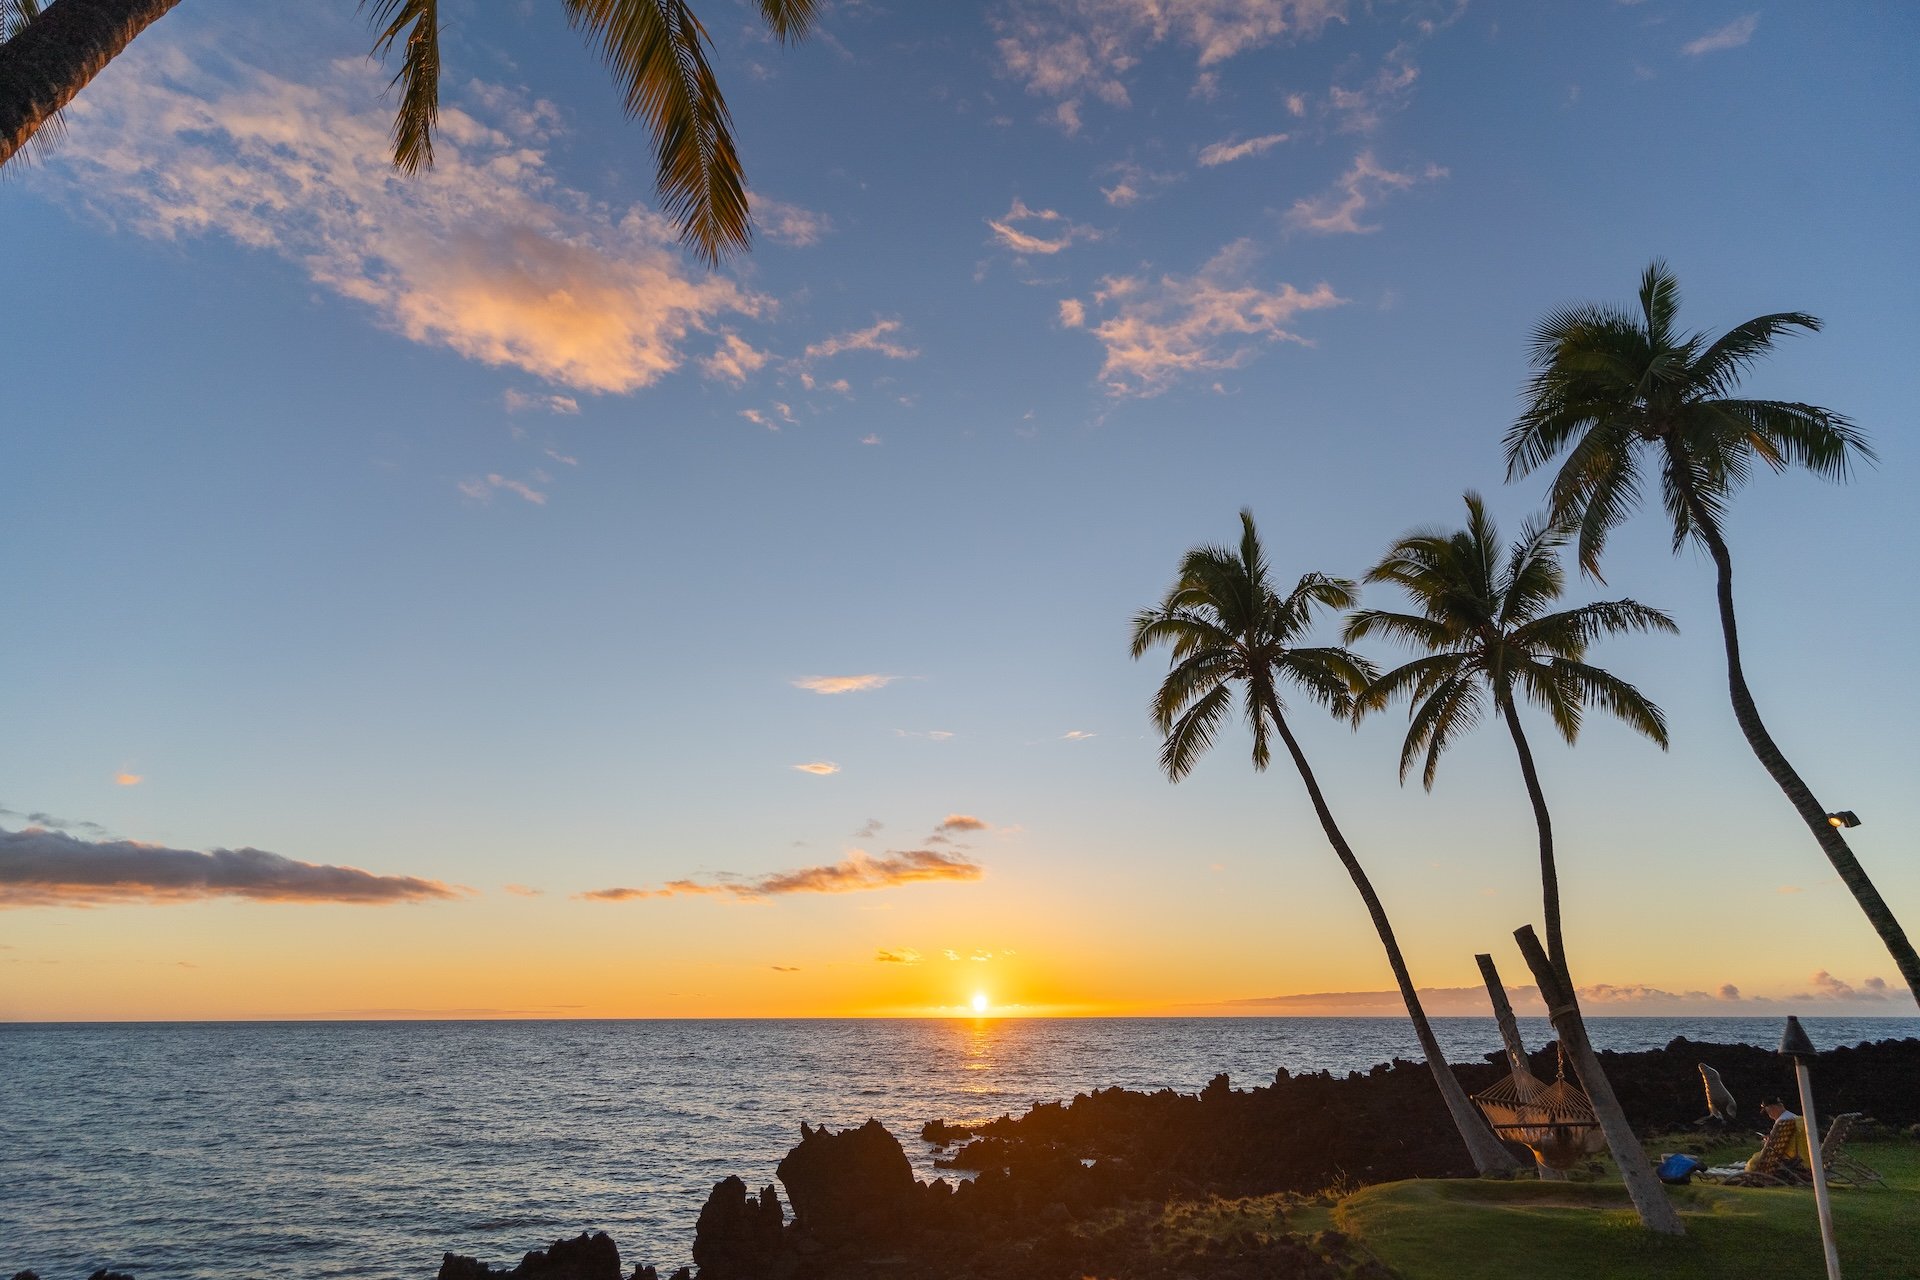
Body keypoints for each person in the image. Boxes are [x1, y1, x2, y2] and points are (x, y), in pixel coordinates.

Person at [1748, 1099, 1812, 1171]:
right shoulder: (1794, 1118)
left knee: (1753, 1162)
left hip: (1787, 1156)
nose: (1770, 1116)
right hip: (1801, 1154)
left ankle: (1754, 1177)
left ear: (1773, 1108)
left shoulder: (1782, 1121)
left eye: (1768, 1112)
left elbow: (1773, 1146)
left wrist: (1767, 1141)